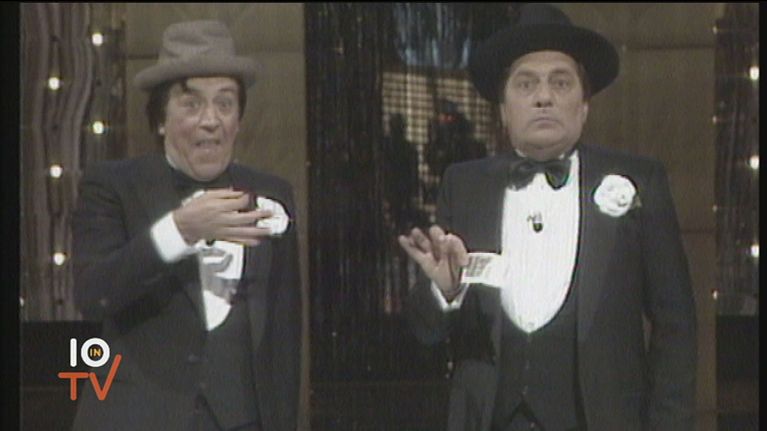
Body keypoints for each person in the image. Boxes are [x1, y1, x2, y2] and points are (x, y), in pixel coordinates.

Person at [399, 4, 697, 431]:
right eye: (526, 84)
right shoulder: (464, 186)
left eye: (560, 82)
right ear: (503, 109)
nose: (544, 97)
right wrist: (444, 292)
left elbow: (676, 327)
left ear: (584, 105)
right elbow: (423, 331)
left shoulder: (640, 181)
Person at [70, 20, 300, 431]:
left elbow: (284, 338)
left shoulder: (272, 194)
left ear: (239, 119)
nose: (210, 120)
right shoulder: (112, 186)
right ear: (160, 119)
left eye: (225, 104)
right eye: (191, 104)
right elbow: (93, 295)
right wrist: (179, 231)